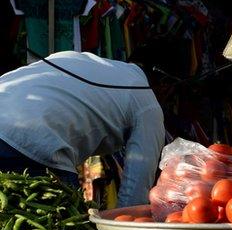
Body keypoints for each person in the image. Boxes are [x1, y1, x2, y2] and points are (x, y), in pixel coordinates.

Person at [0, 51, 166, 206]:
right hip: (36, 143)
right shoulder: (147, 103)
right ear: (166, 84)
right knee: (61, 229)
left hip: (10, 114)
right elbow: (136, 187)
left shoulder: (82, 60)